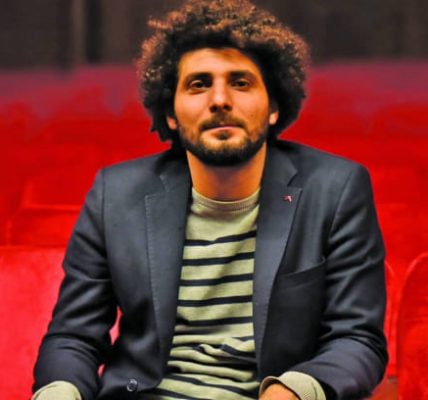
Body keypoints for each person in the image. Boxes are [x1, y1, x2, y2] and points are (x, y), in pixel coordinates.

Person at [32, 1, 388, 399]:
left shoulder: (336, 189)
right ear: (171, 112)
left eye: (241, 83)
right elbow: (73, 337)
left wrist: (294, 390)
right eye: (199, 84)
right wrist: (59, 392)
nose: (220, 100)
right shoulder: (114, 194)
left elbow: (357, 339)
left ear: (273, 107)